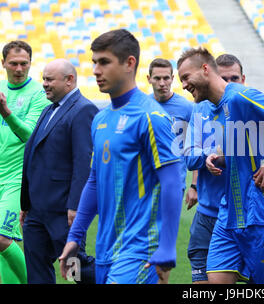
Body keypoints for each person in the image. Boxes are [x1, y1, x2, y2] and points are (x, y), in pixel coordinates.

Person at [58, 29, 183, 284]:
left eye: (104, 62)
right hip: (105, 248)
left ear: (129, 63)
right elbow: (94, 180)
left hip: (140, 249)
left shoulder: (151, 117)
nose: (95, 70)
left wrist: (168, 246)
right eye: (94, 62)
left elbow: (172, 183)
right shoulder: (100, 119)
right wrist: (75, 236)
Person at [178, 47, 264, 284]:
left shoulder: (240, 96)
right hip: (229, 213)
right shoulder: (209, 109)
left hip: (263, 213)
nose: (184, 85)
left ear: (205, 69)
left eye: (186, 77)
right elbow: (242, 151)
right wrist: (218, 159)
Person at [19, 59, 98, 284]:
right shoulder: (48, 109)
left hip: (63, 212)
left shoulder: (83, 109)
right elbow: (33, 156)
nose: (44, 84)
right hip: (36, 211)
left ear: (69, 80)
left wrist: (76, 206)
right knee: (36, 269)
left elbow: (83, 163)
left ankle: (116, 279)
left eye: (49, 79)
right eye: (43, 78)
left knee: (76, 268)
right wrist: (26, 204)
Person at [0, 40, 50, 284]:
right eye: (13, 64)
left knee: (1, 238)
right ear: (3, 63)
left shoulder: (39, 95)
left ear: (30, 64)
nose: (19, 69)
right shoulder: (0, 88)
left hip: (17, 179)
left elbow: (30, 136)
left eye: (24, 64)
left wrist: (6, 112)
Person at [147, 58, 197, 212]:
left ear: (172, 79)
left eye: (166, 78)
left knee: (166, 234)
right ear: (149, 80)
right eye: (157, 78)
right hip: (146, 185)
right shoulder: (142, 107)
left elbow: (198, 146)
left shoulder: (187, 108)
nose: (162, 83)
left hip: (175, 184)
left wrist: (195, 185)